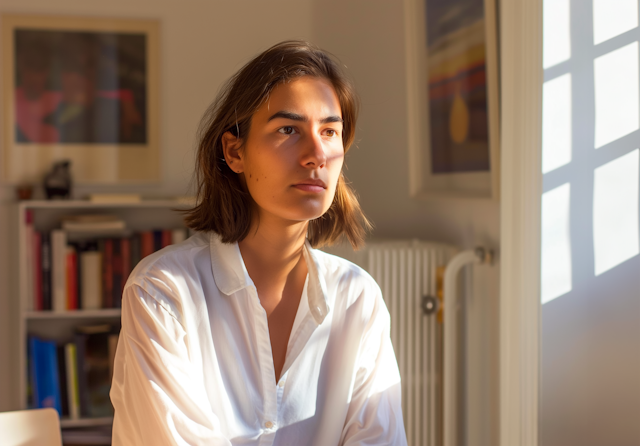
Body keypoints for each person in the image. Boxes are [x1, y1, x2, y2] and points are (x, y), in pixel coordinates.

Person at [110, 40, 407, 446]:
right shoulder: (162, 292)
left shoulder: (357, 298)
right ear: (235, 151)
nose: (316, 153)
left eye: (330, 131)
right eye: (288, 129)